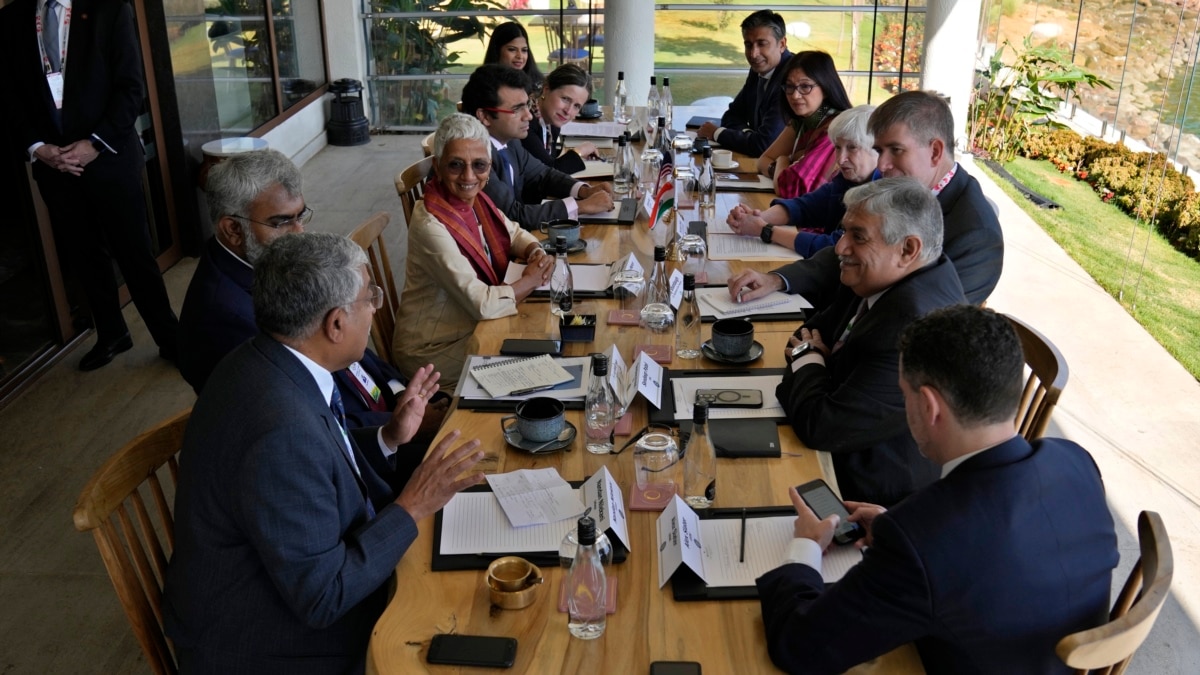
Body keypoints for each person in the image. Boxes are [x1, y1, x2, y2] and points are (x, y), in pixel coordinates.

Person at [163, 232, 486, 673]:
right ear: (335, 324)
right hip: (270, 645)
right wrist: (411, 507)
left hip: (282, 586)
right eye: (370, 297)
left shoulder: (269, 360)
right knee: (471, 614)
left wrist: (389, 436)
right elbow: (324, 596)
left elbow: (321, 460)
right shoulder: (280, 432)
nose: (375, 307)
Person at [757, 304, 1119, 674]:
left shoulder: (920, 540)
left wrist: (805, 547)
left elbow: (799, 647)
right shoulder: (1075, 461)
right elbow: (998, 550)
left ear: (929, 405)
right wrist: (900, 529)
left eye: (904, 394)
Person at [176, 149, 446, 451]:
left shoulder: (272, 266)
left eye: (300, 216)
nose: (299, 232)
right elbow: (311, 421)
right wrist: (397, 427)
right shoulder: (224, 319)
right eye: (281, 222)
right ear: (233, 229)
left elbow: (356, 349)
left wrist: (399, 393)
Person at [6, 0, 179, 371]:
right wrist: (39, 148)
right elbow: (9, 97)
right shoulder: (11, 19)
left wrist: (95, 144)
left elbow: (130, 87)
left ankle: (169, 337)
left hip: (109, 156)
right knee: (85, 255)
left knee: (134, 253)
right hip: (55, 166)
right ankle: (112, 333)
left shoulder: (108, 9)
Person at [777, 177, 965, 506]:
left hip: (870, 492)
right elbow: (806, 334)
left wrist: (810, 360)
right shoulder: (881, 277)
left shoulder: (910, 329)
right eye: (844, 232)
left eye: (858, 237)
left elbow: (820, 426)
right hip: (838, 444)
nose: (840, 248)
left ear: (908, 249)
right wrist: (816, 363)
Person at [728, 90, 1004, 310]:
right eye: (879, 151)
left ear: (935, 152)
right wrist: (777, 279)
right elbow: (845, 251)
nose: (882, 165)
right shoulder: (901, 188)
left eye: (896, 150)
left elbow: (928, 322)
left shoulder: (977, 235)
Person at [392, 114, 552, 386]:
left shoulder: (475, 199)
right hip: (432, 349)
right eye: (456, 165)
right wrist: (530, 280)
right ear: (437, 166)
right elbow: (483, 304)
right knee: (536, 365)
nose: (468, 176)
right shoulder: (430, 224)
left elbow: (513, 231)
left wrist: (534, 250)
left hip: (470, 324)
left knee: (544, 341)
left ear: (489, 167)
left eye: (479, 165)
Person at [461, 65, 614, 230]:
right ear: (484, 116)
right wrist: (581, 206)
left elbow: (543, 174)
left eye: (526, 105)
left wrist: (584, 191)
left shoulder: (510, 141)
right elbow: (512, 215)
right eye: (517, 109)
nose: (528, 115)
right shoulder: (474, 158)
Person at [728, 104, 879, 256]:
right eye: (838, 148)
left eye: (852, 148)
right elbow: (804, 207)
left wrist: (765, 230)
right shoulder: (846, 181)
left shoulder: (881, 197)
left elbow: (835, 246)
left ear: (878, 149)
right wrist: (755, 218)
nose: (840, 159)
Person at [696, 10, 793, 157]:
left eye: (762, 44)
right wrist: (749, 134)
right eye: (748, 45)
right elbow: (731, 115)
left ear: (782, 44)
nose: (753, 54)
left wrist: (717, 133)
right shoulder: (758, 69)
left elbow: (764, 145)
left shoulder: (793, 78)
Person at [756, 51, 851, 198]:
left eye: (805, 86)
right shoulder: (802, 121)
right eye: (790, 86)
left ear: (825, 88)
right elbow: (762, 160)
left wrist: (782, 160)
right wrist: (784, 169)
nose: (795, 95)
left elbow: (790, 188)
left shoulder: (835, 129)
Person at [521, 63, 600, 174]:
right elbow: (547, 173)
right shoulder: (525, 122)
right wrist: (579, 151)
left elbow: (549, 162)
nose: (568, 111)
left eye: (577, 106)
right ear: (546, 90)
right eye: (565, 99)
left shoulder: (552, 121)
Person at [484, 21, 542, 93]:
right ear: (497, 50)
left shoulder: (538, 85)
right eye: (512, 49)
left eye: (524, 50)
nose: (520, 56)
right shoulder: (484, 86)